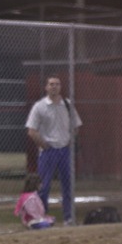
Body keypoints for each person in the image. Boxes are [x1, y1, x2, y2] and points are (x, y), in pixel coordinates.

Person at [26, 74, 82, 226]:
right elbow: (31, 131)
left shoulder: (67, 105)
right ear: (46, 87)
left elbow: (76, 126)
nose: (54, 87)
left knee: (68, 185)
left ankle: (69, 217)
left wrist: (70, 140)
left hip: (65, 150)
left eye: (57, 84)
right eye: (51, 84)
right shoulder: (40, 106)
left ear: (60, 87)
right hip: (48, 151)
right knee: (43, 186)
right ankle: (41, 216)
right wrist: (44, 145)